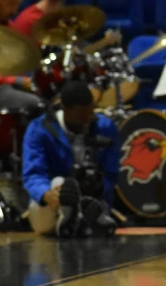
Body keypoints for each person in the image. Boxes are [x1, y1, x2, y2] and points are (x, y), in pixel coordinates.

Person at [21, 81, 119, 237]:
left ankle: (85, 217)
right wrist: (45, 193)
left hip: (93, 198)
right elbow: (33, 174)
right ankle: (69, 215)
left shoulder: (106, 127)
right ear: (65, 109)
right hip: (52, 201)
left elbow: (112, 172)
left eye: (90, 113)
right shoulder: (40, 129)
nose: (86, 119)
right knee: (61, 183)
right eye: (80, 115)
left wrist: (100, 187)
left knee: (92, 195)